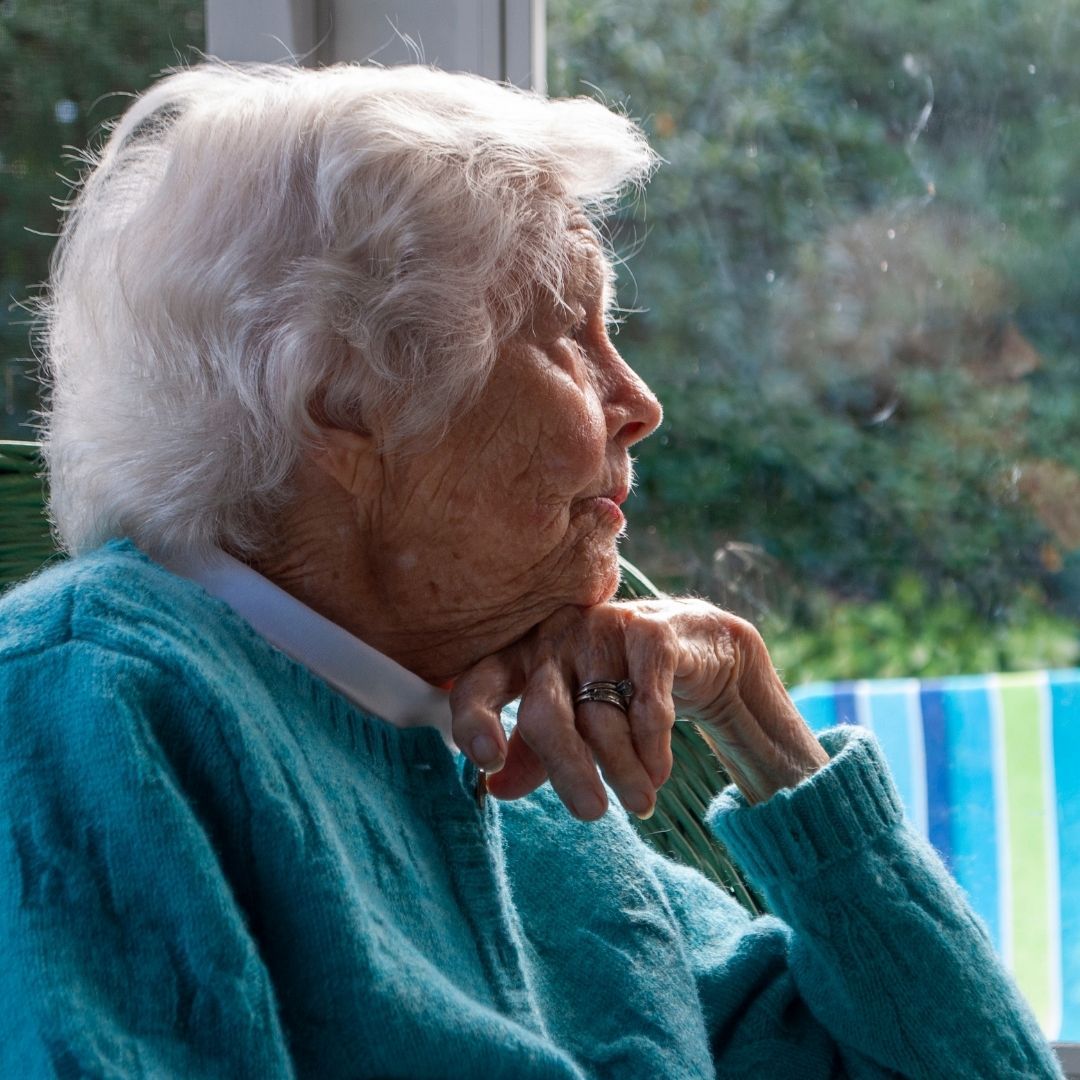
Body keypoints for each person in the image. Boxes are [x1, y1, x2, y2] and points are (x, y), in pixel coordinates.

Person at [0, 61, 1062, 1079]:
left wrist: (756, 715)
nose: (640, 402)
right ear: (344, 398)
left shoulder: (521, 780)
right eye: (562, 329)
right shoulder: (81, 711)